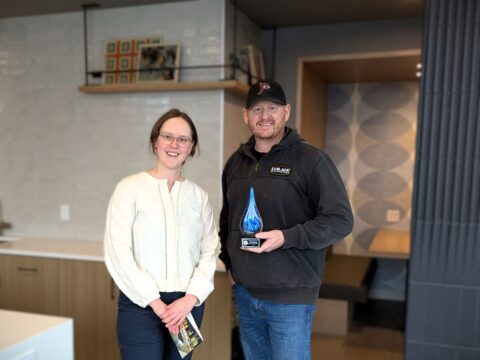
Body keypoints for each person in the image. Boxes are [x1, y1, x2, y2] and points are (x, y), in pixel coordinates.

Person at [219, 80, 354, 360]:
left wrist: (286, 237)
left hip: (290, 297)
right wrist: (231, 265)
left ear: (286, 112)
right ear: (246, 116)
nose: (264, 115)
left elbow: (340, 220)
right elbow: (226, 220)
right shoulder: (236, 163)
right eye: (257, 109)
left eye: (272, 108)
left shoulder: (311, 160)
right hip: (245, 292)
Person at [104, 108, 219, 360]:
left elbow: (210, 251)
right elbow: (118, 251)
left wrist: (191, 298)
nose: (174, 144)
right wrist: (156, 303)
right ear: (155, 140)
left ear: (191, 147)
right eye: (167, 136)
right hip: (140, 306)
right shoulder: (129, 189)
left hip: (187, 307)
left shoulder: (199, 197)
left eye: (183, 139)